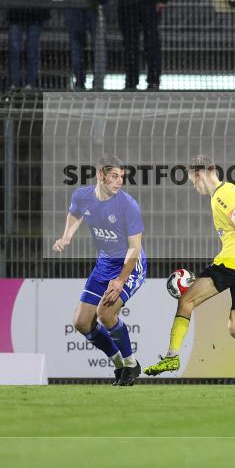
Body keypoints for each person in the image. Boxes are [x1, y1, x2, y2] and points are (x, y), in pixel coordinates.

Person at [144, 155, 235, 386]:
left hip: (234, 263)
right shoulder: (231, 190)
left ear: (199, 174)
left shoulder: (223, 197)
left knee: (186, 301)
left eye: (193, 181)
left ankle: (171, 358)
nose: (194, 186)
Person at [52, 155, 146, 386]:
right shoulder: (82, 196)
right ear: (100, 175)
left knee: (105, 314)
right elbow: (75, 214)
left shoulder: (128, 205)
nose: (119, 181)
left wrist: (121, 280)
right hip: (104, 264)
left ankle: (131, 364)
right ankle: (119, 364)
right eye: (114, 176)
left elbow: (135, 249)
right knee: (82, 322)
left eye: (122, 177)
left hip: (129, 265)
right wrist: (66, 237)